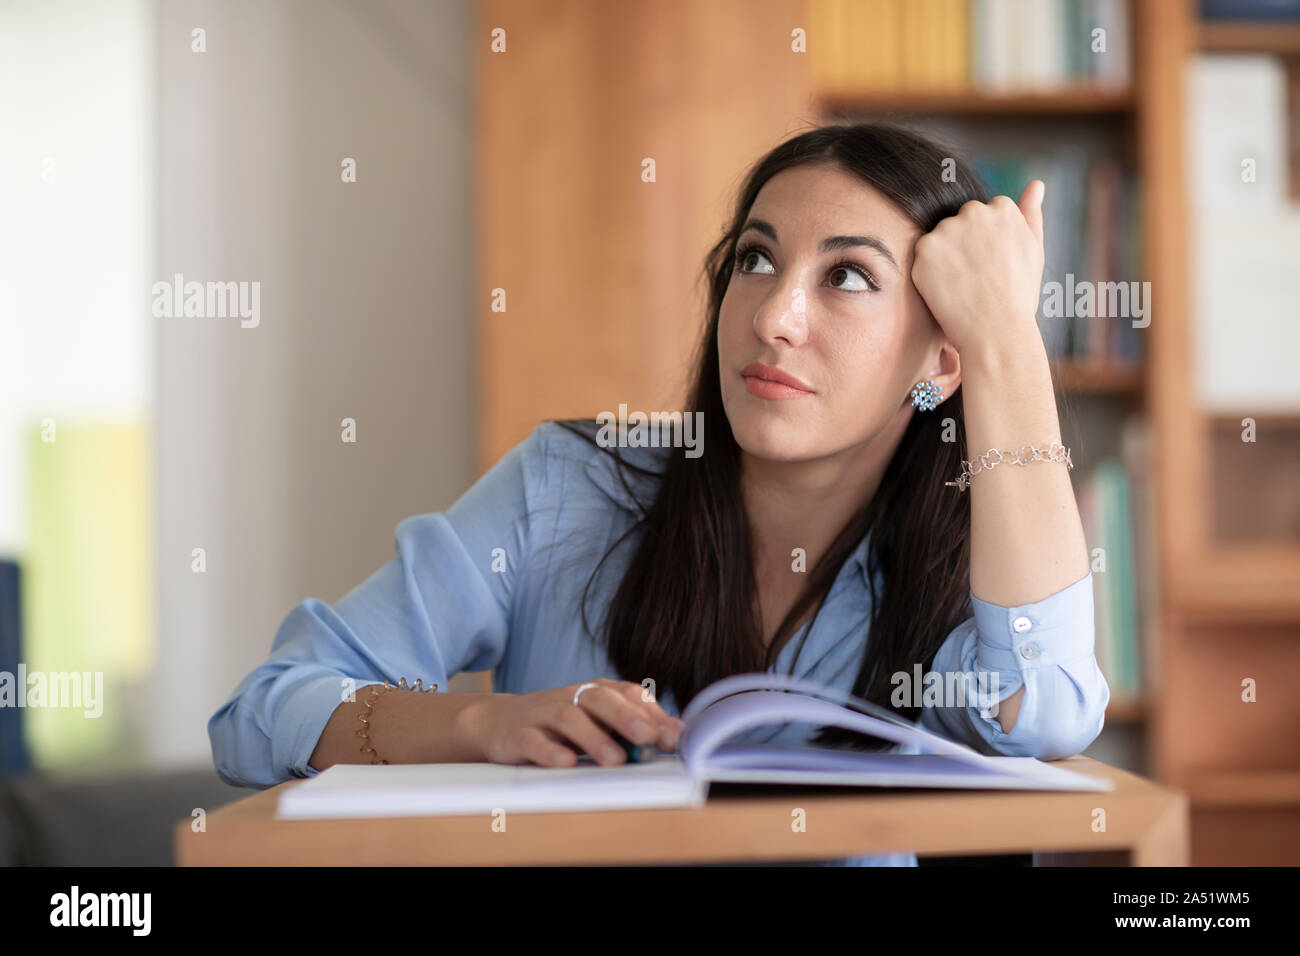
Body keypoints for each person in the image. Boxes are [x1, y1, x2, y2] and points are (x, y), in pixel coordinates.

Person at [209, 122, 1108, 866]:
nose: (773, 317)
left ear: (940, 363)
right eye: (756, 261)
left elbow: (1049, 706)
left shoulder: (968, 578)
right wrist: (484, 721)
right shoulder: (567, 486)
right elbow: (262, 711)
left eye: (845, 276)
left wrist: (1005, 343)